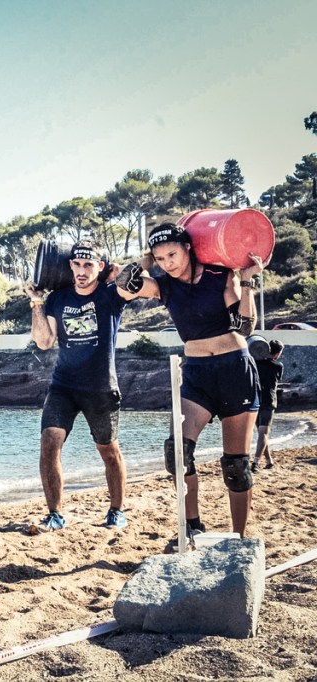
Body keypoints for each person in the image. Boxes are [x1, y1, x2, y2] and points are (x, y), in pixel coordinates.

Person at [114, 222, 265, 541]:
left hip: (234, 369)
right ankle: (192, 526)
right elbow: (125, 287)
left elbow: (245, 327)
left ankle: (238, 537)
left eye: (172, 254)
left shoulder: (219, 275)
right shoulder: (163, 286)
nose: (168, 262)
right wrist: (144, 263)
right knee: (177, 452)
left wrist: (247, 282)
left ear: (188, 248)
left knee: (235, 466)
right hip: (195, 373)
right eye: (160, 257)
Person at [25, 239, 129, 533]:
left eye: (88, 265)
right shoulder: (58, 298)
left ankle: (117, 510)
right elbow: (45, 342)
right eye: (77, 264)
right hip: (64, 385)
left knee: (108, 450)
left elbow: (135, 279)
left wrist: (124, 273)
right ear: (69, 265)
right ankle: (55, 514)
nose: (82, 271)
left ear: (99, 266)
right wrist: (36, 303)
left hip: (100, 387)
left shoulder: (111, 295)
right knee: (49, 442)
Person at [252, 339, 284, 472]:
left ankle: (269, 461)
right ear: (277, 353)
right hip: (268, 402)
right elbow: (278, 379)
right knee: (263, 434)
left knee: (262, 434)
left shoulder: (255, 364)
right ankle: (255, 463)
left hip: (255, 401)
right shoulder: (278, 366)